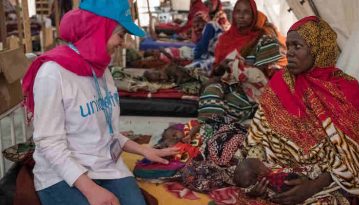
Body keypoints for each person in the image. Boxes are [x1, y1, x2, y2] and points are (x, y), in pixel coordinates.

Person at [21, 0, 178, 205]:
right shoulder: (53, 74)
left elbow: (105, 132)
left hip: (106, 167)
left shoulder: (101, 70)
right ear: (99, 28)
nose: (122, 42)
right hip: (61, 175)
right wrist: (91, 190)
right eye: (120, 34)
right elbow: (49, 143)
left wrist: (142, 150)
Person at [244, 16, 359, 204]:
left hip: (325, 174)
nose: (290, 53)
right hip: (282, 165)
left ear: (318, 49)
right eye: (288, 46)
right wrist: (260, 173)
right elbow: (258, 135)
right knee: (242, 171)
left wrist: (313, 186)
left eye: (297, 46)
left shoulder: (345, 88)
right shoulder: (282, 81)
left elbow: (349, 154)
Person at [198, 0, 287, 122]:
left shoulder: (265, 39)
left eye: (246, 12)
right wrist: (222, 67)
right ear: (233, 14)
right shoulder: (225, 38)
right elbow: (217, 70)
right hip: (227, 83)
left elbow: (259, 75)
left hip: (251, 90)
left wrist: (235, 65)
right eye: (238, 11)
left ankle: (215, 131)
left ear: (253, 15)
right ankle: (209, 130)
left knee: (230, 103)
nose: (241, 16)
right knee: (210, 91)